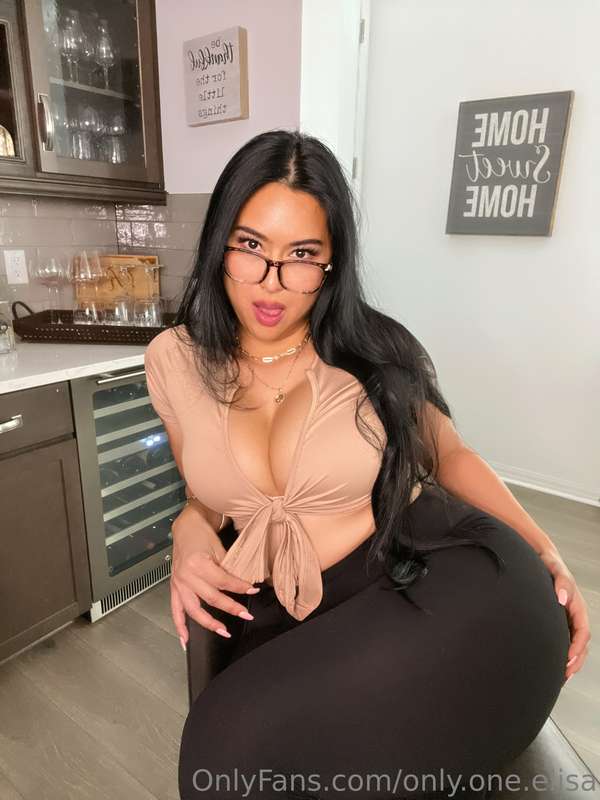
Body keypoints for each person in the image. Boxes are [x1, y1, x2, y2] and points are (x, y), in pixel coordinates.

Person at [143, 130, 590, 800]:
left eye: (301, 255)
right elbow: (207, 491)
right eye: (251, 246)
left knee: (227, 746)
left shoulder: (374, 347)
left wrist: (545, 547)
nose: (271, 282)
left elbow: (449, 454)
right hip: (288, 602)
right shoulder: (172, 361)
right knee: (223, 758)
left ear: (331, 262)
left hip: (429, 570)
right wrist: (188, 530)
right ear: (218, 244)